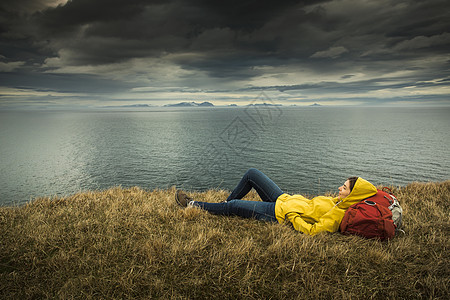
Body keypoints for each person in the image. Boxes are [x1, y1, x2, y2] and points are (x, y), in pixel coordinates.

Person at [175, 168, 377, 235]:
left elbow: (313, 231)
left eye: (344, 188)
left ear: (352, 195)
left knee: (236, 207)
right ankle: (224, 205)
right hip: (283, 198)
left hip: (278, 213)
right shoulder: (337, 201)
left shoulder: (339, 214)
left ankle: (192, 204)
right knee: (252, 174)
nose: (340, 188)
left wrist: (292, 216)